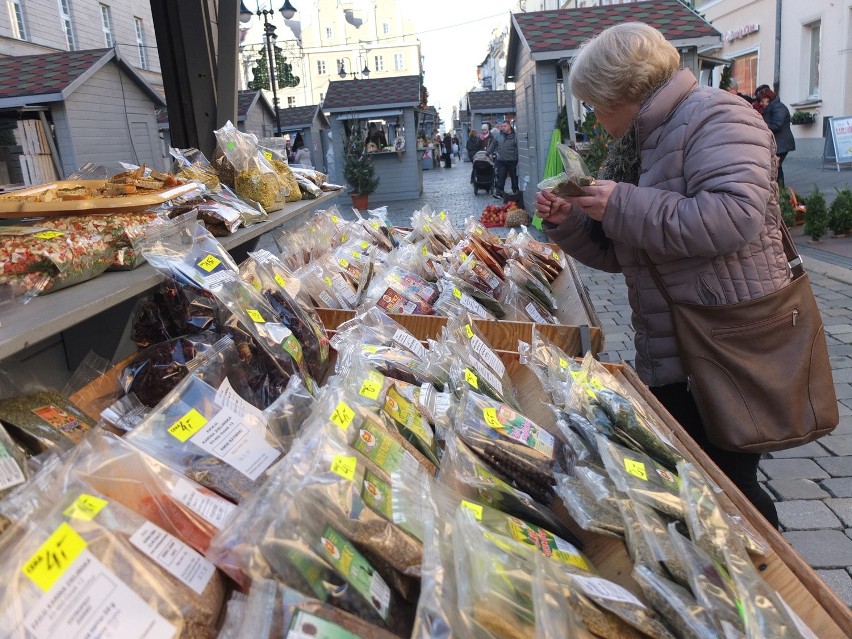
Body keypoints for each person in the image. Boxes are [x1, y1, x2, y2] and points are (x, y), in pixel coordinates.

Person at [534, 22, 785, 528]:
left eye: (598, 105)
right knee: (699, 481)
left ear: (625, 91)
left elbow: (734, 216)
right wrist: (572, 223)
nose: (598, 120)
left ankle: (775, 587)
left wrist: (620, 203)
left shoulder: (718, 115)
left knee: (729, 489)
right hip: (680, 346)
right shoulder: (647, 137)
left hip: (726, 344)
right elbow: (632, 253)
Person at [757, 86, 795, 189]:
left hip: (781, 143)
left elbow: (777, 125)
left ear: (768, 98)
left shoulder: (778, 107)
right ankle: (780, 189)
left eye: (762, 100)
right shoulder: (773, 107)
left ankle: (780, 189)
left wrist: (761, 126)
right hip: (778, 143)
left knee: (775, 166)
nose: (761, 103)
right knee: (776, 167)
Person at [487, 120, 519, 198]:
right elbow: (493, 145)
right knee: (500, 176)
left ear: (509, 126)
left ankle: (515, 191)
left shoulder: (515, 136)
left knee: (514, 177)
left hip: (512, 160)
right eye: (502, 126)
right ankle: (499, 192)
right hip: (501, 160)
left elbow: (519, 147)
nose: (503, 128)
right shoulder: (499, 135)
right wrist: (487, 153)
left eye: (505, 126)